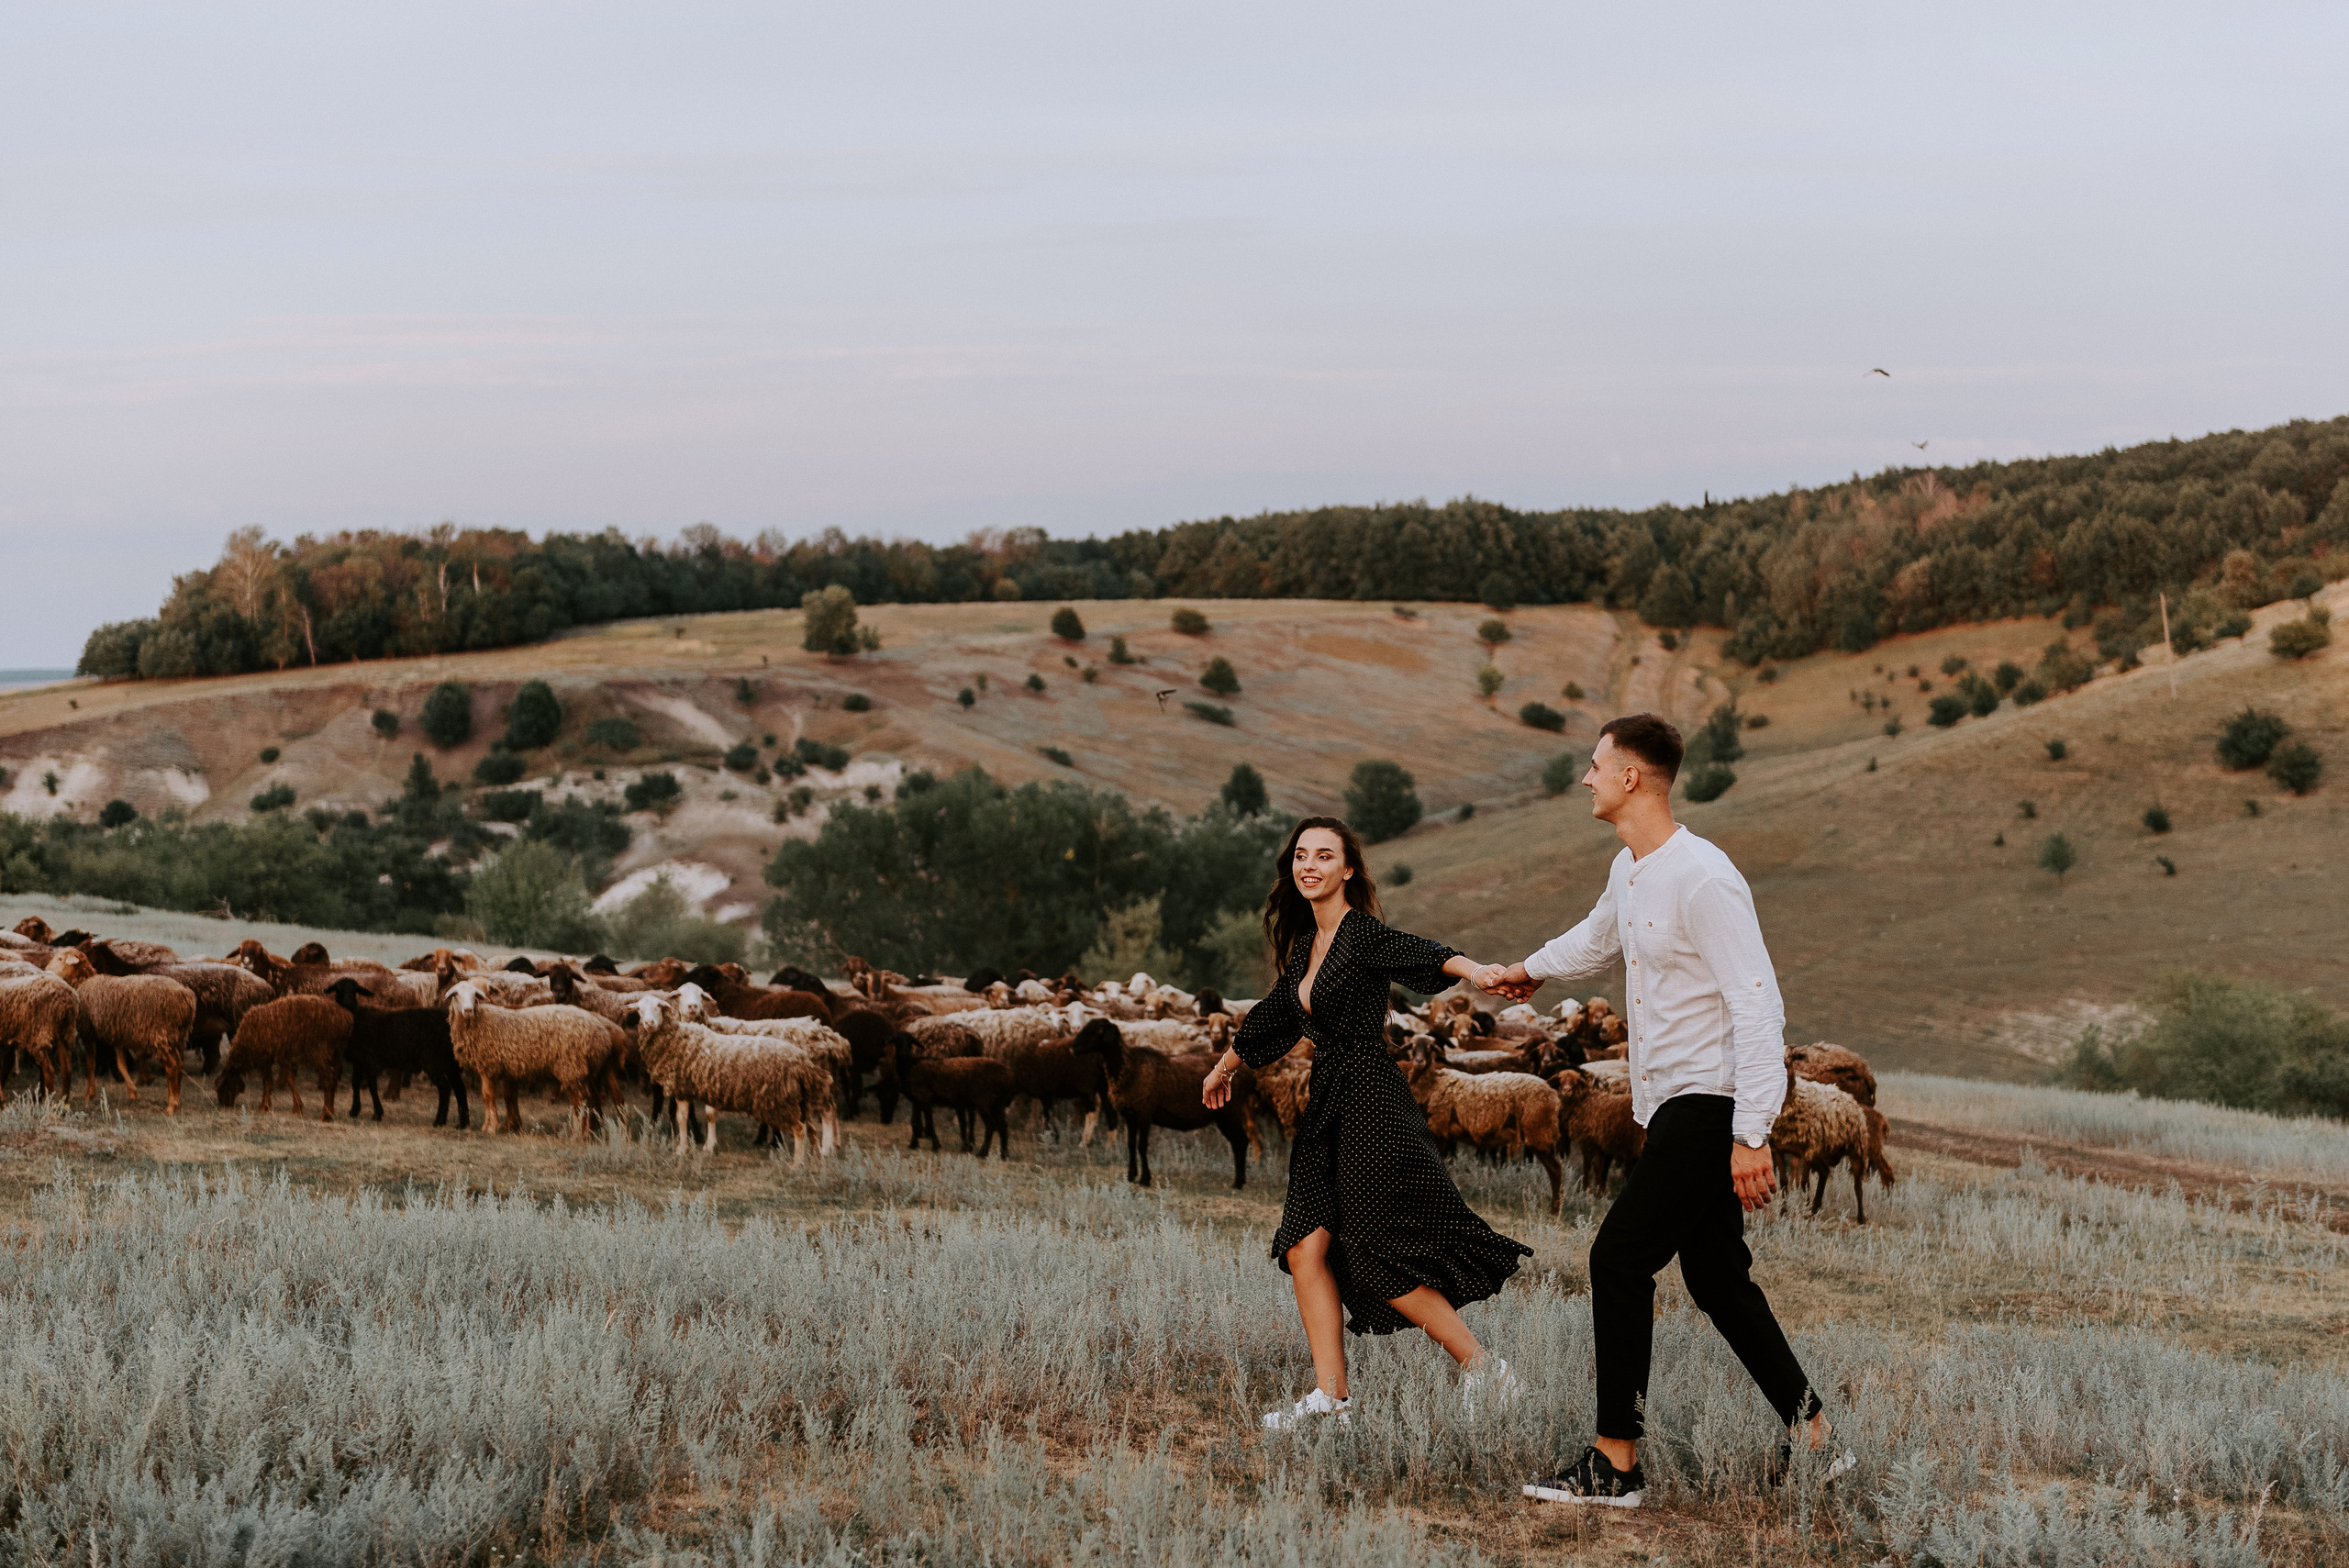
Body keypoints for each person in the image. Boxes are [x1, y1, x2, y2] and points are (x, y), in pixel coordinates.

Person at [1486, 714, 1853, 1507]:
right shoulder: (1632, 870)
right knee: (1719, 1280)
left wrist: (1751, 1132)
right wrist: (1527, 971)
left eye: (1594, 765)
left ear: (1631, 778)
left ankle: (1615, 1461)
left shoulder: (1704, 876)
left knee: (1618, 1259)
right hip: (1671, 1107)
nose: (1584, 778)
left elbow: (1757, 1004)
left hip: (1708, 1103)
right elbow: (1596, 937)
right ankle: (1817, 1440)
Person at [1200, 815, 1531, 1429]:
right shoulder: (1308, 945)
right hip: (1328, 1100)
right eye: (1302, 855)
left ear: (1348, 868)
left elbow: (1422, 952)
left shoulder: (1361, 934)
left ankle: (1487, 1371)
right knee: (1305, 1246)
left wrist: (1478, 971)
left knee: (1377, 1250)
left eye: (1325, 855)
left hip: (1370, 1102)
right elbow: (1275, 1012)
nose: (1310, 865)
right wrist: (1225, 1064)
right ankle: (1332, 1399)